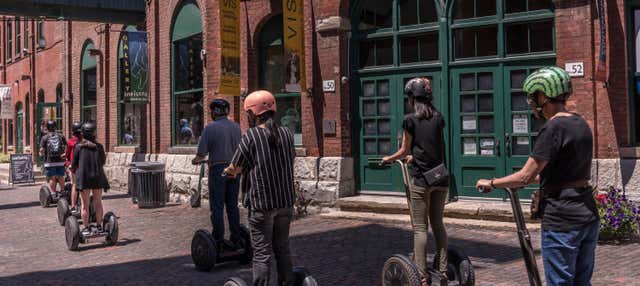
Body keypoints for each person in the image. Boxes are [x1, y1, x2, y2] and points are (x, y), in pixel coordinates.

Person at [475, 66, 598, 286]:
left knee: (560, 282)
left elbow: (524, 176)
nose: (531, 103)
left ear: (544, 95)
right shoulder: (581, 123)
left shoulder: (553, 128)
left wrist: (492, 183)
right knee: (582, 282)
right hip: (587, 213)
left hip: (562, 218)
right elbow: (556, 173)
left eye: (533, 97)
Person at [224, 90, 297, 286]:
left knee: (262, 253)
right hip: (285, 202)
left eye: (247, 112)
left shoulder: (252, 136)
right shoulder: (287, 134)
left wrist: (228, 171)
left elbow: (235, 166)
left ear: (253, 113)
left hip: (262, 204)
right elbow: (291, 159)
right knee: (282, 248)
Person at [382, 77, 448, 286]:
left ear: (412, 98)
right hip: (441, 177)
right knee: (438, 224)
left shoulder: (409, 120)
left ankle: (421, 276)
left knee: (420, 228)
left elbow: (404, 150)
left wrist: (388, 159)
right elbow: (433, 146)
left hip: (421, 180)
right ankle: (444, 270)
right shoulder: (438, 117)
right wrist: (415, 156)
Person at [192, 98, 242, 248]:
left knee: (217, 206)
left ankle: (218, 238)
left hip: (218, 169)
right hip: (234, 168)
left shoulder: (210, 128)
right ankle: (236, 237)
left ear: (215, 112)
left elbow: (202, 153)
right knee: (232, 205)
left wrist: (195, 160)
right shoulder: (236, 127)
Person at [71, 122, 110, 235]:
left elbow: (74, 164)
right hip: (97, 176)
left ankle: (86, 228)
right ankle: (99, 226)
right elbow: (102, 161)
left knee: (85, 204)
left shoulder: (78, 147)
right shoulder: (99, 147)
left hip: (84, 178)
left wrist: (74, 168)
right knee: (98, 202)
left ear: (82, 133)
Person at [39, 120, 67, 196]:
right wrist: (64, 154)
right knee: (61, 176)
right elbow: (66, 147)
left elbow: (41, 150)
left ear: (47, 128)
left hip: (49, 162)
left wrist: (41, 155)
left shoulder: (44, 137)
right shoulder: (61, 136)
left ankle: (53, 193)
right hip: (60, 161)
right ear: (55, 127)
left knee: (52, 178)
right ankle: (63, 191)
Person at [65, 121, 83, 214]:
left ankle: (73, 206)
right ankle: (84, 205)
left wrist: (67, 163)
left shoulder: (70, 141)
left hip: (74, 166)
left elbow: (67, 155)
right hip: (84, 166)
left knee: (75, 185)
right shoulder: (85, 141)